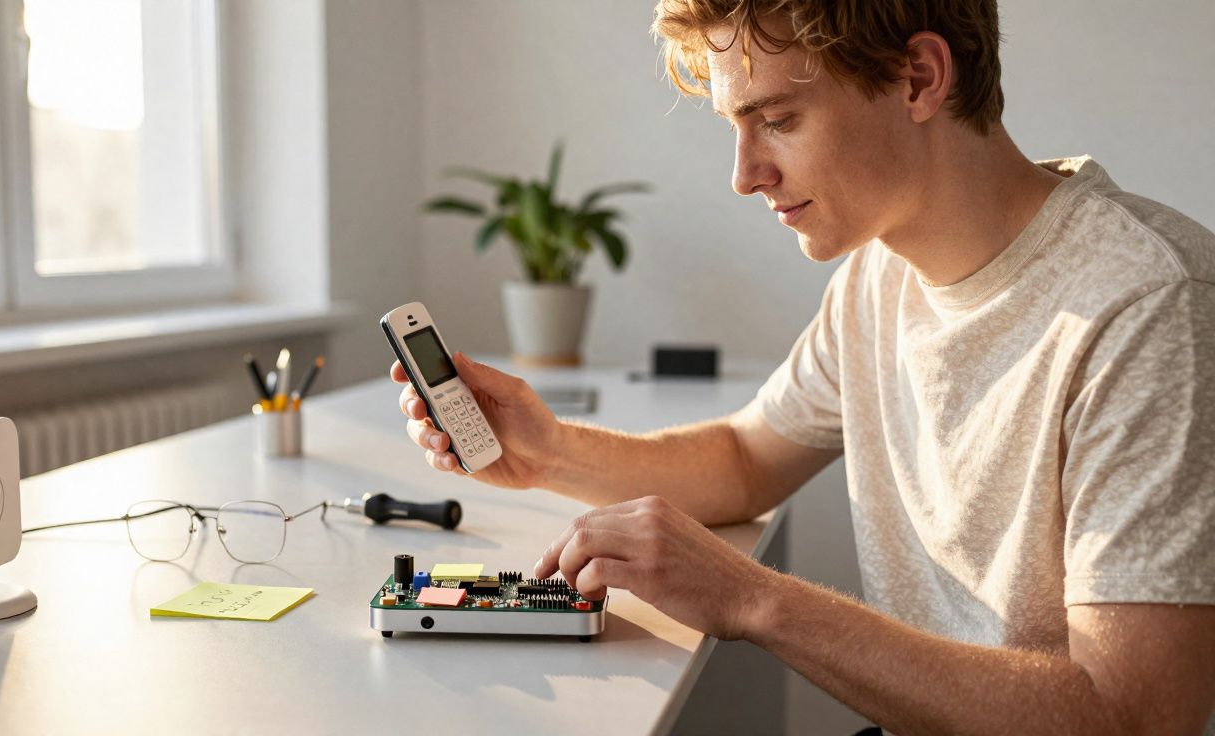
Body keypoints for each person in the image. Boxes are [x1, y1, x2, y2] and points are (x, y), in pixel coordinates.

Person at [391, 0, 1215, 732]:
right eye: (735, 128)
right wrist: (548, 452)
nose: (744, 175)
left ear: (920, 78)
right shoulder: (878, 272)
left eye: (778, 119)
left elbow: (1132, 716)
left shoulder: (1147, 303)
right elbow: (748, 460)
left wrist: (754, 598)